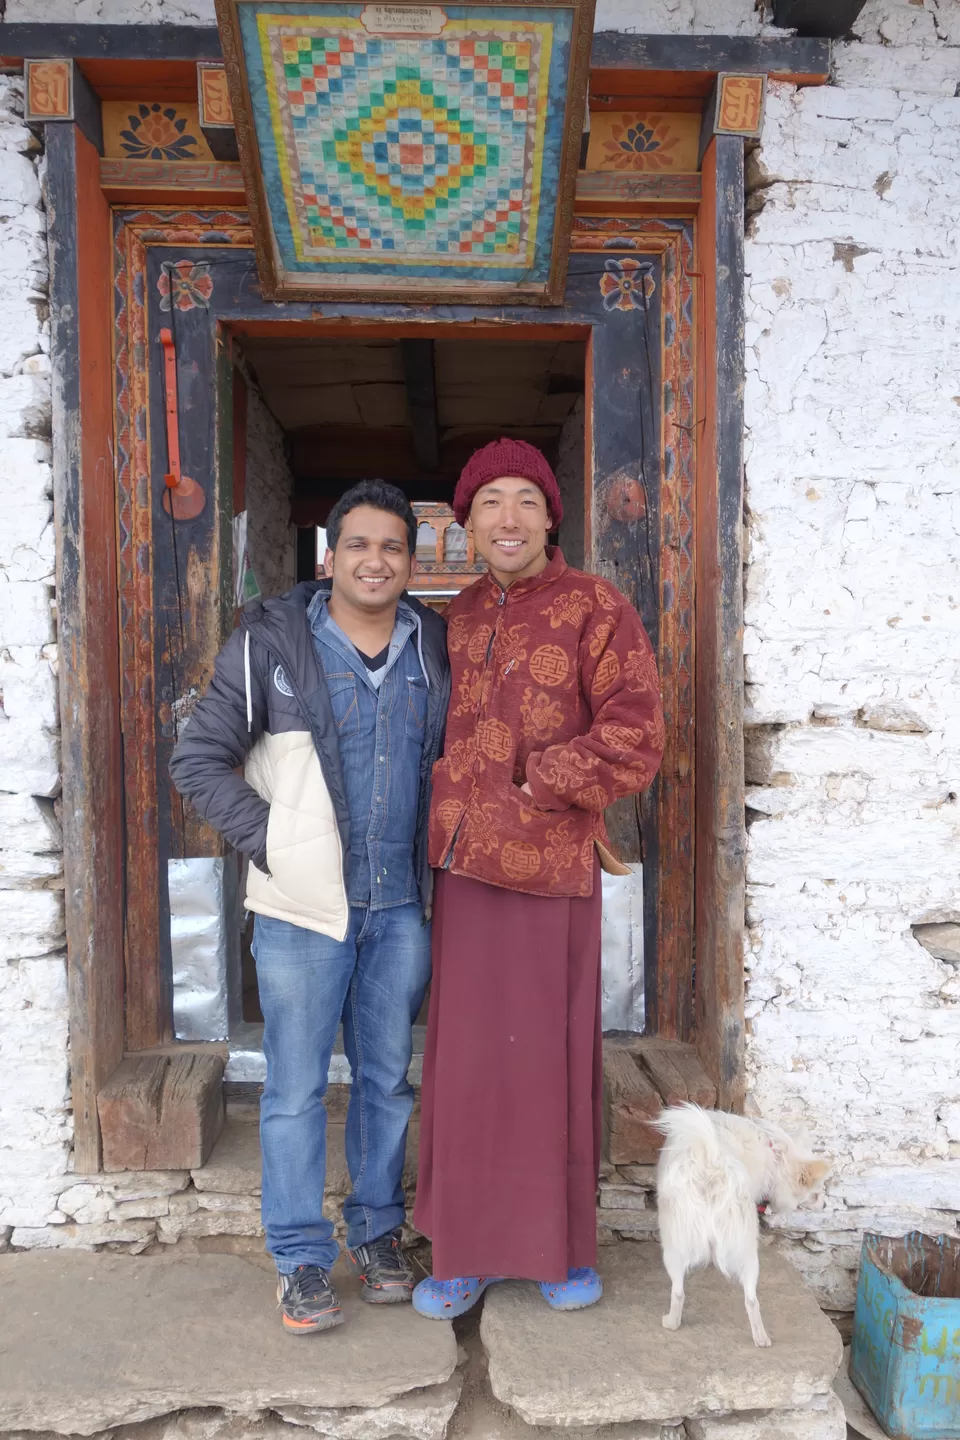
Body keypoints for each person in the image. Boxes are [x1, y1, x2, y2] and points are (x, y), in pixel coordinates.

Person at [170, 481, 450, 1335]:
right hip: (300, 912)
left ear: (412, 562)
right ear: (330, 557)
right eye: (358, 544)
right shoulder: (273, 643)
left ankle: (376, 1232)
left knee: (386, 1082)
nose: (376, 560)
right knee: (292, 1089)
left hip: (400, 907)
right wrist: (278, 847)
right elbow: (198, 760)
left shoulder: (433, 645)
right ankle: (298, 1257)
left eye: (393, 547)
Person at [411, 438, 664, 1317]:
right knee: (467, 1066)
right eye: (489, 503)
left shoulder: (596, 606)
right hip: (464, 870)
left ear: (551, 515)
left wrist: (542, 780)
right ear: (466, 524)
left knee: (547, 1063)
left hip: (553, 867)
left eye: (525, 499)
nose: (508, 518)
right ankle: (463, 1251)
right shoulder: (455, 615)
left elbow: (637, 733)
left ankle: (558, 1252)